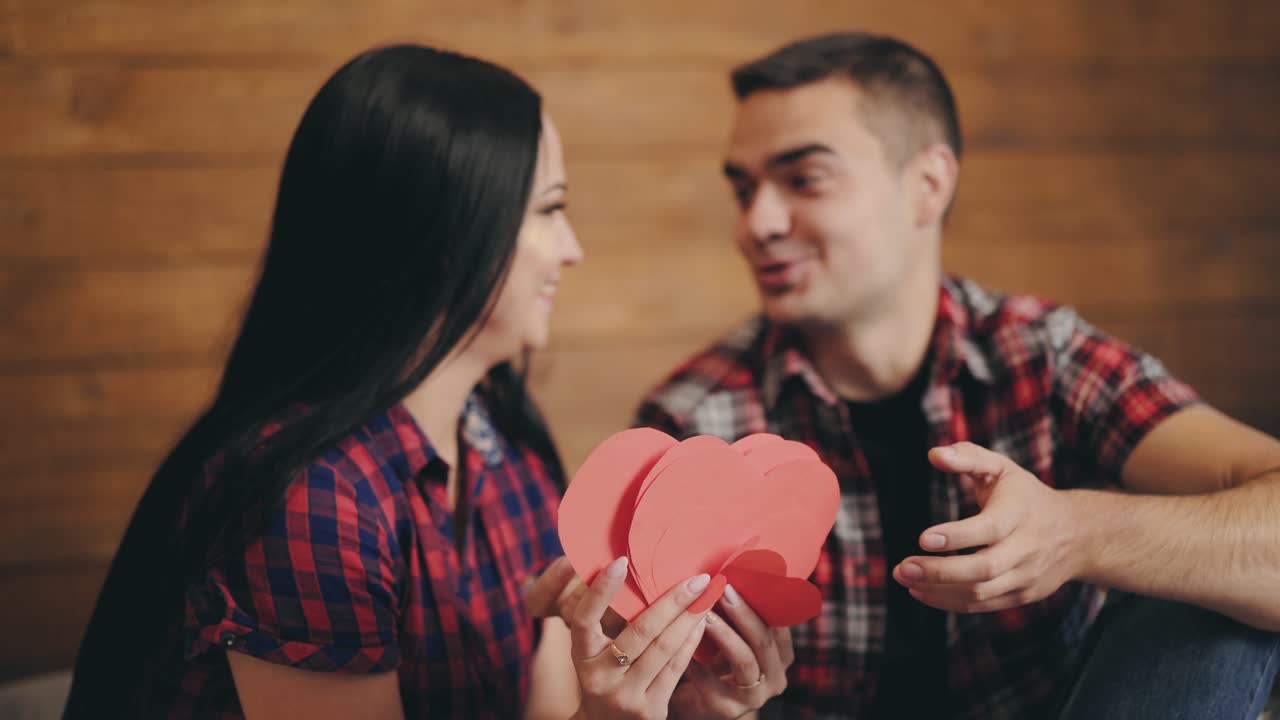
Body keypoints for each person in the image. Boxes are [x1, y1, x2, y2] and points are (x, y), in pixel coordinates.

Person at [64, 45, 790, 719]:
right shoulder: (317, 501)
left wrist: (673, 704)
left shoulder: (506, 440)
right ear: (446, 234)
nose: (572, 250)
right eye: (548, 210)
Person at [635, 32, 1280, 719]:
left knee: (1210, 588)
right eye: (744, 189)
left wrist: (1077, 532)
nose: (755, 224)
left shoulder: (1042, 357)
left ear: (928, 187)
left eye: (803, 180)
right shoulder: (691, 422)